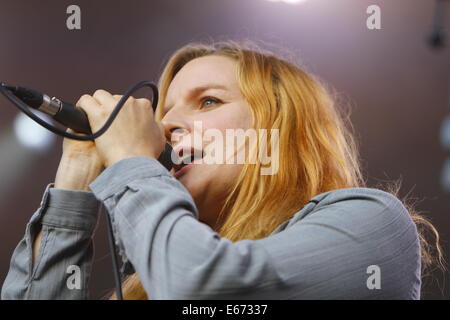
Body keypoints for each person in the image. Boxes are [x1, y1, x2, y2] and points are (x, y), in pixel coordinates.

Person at [1, 41, 445, 300]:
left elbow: (199, 285)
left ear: (279, 130)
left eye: (208, 101)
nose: (165, 126)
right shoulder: (144, 283)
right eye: (163, 113)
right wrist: (75, 182)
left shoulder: (371, 224)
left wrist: (133, 162)